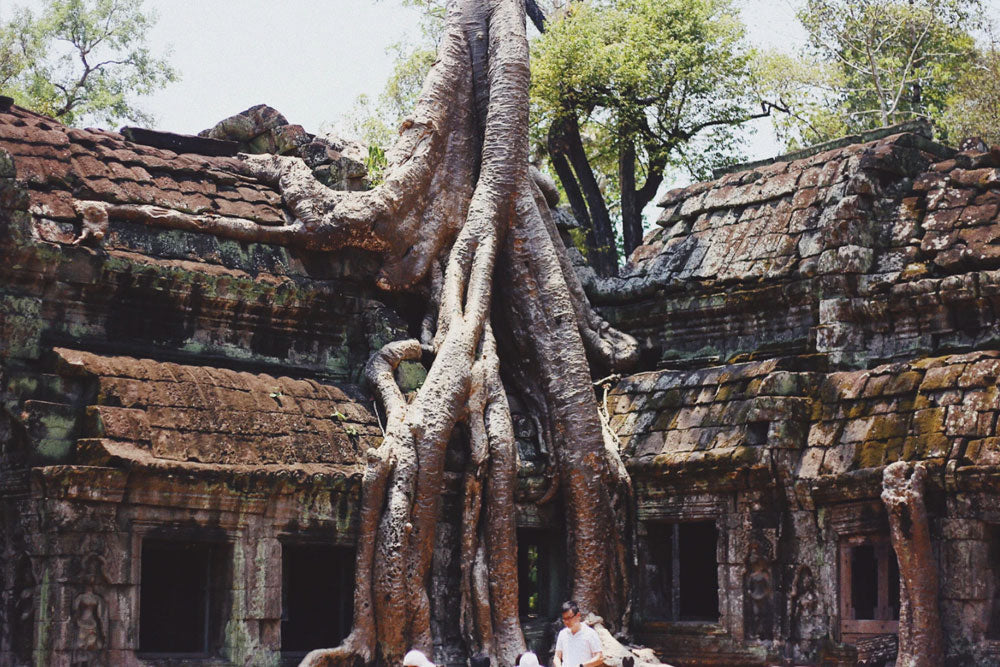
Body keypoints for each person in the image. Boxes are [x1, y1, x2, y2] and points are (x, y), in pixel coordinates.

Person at [553, 600, 603, 667]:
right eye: (564, 619)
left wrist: (582, 666)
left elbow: (599, 657)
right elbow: (557, 656)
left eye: (569, 618)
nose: (567, 622)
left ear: (578, 615)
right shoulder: (562, 634)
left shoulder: (590, 633)